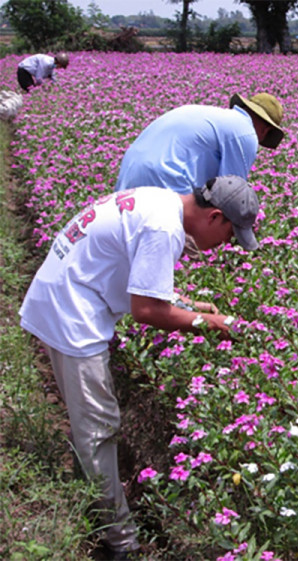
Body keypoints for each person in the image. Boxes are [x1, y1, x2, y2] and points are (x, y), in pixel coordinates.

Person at [19, 175, 260, 561]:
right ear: (215, 217)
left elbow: (141, 283)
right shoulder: (163, 228)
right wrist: (210, 324)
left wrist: (189, 305)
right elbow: (146, 310)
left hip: (63, 294)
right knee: (99, 428)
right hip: (71, 316)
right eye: (231, 235)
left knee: (94, 427)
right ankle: (120, 541)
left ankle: (94, 502)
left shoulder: (160, 202)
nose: (225, 246)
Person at [115, 92, 285, 194]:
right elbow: (230, 192)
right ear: (266, 130)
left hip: (127, 180)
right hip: (164, 185)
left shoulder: (211, 115)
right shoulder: (246, 131)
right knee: (186, 247)